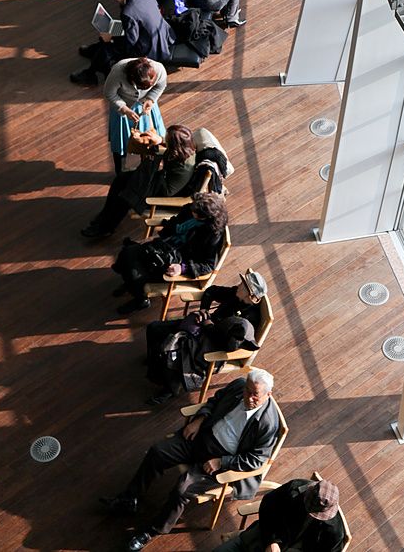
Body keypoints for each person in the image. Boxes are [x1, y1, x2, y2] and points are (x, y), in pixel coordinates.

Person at [100, 370, 279, 552]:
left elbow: (256, 459)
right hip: (202, 437)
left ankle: (153, 530)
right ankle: (130, 498)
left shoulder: (268, 423)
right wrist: (199, 420)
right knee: (157, 452)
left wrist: (221, 462)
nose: (248, 397)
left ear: (268, 394)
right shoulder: (239, 385)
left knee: (182, 489)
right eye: (247, 391)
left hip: (219, 462)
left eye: (255, 394)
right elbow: (215, 401)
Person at [80, 124, 233, 238]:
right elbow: (167, 150)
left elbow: (169, 191)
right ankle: (104, 216)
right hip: (160, 180)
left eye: (167, 140)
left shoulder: (184, 165)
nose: (164, 140)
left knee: (126, 196)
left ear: (175, 146)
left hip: (164, 193)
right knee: (120, 179)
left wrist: (156, 169)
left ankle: (107, 226)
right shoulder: (181, 151)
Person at [145, 270, 267, 404]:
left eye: (243, 285)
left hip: (213, 345)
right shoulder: (236, 294)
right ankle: (153, 359)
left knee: (176, 353)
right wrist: (204, 310)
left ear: (250, 295)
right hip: (203, 325)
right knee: (154, 328)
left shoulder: (248, 322)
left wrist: (209, 326)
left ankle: (170, 389)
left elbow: (231, 345)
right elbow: (211, 291)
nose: (239, 285)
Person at [111, 191, 228, 314]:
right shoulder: (192, 209)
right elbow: (174, 223)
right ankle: (131, 285)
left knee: (136, 270)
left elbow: (209, 265)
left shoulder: (212, 233)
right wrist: (156, 237)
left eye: (196, 215)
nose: (192, 214)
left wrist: (182, 268)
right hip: (166, 245)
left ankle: (141, 299)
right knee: (127, 252)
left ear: (207, 217)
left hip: (179, 258)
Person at [70, 0, 175, 86]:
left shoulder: (128, 12)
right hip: (160, 35)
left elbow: (128, 44)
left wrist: (111, 38)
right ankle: (95, 52)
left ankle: (90, 74)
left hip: (149, 48)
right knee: (107, 40)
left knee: (106, 47)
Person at [212, 478, 345, 552]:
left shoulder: (334, 532)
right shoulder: (294, 488)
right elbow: (267, 507)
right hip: (261, 537)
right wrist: (272, 541)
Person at [104, 56, 167, 175]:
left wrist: (151, 99)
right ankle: (120, 173)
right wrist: (125, 109)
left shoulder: (159, 69)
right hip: (123, 107)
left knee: (154, 139)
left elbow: (160, 86)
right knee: (121, 142)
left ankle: (151, 170)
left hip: (146, 106)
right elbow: (109, 93)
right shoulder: (118, 72)